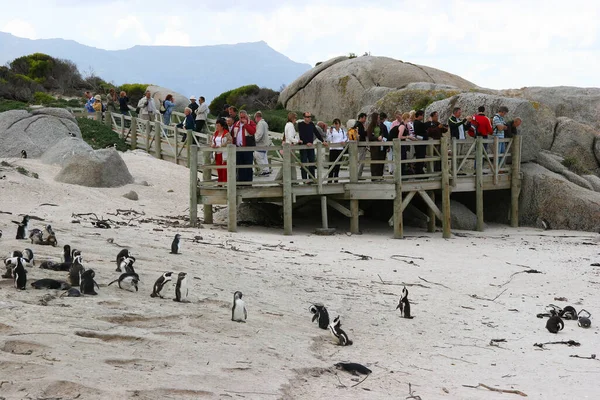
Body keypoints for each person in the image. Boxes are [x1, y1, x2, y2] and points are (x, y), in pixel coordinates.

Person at [297, 112, 324, 182]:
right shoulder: (301, 125)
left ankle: (312, 178)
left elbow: (316, 133)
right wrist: (306, 142)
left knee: (312, 162)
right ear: (304, 117)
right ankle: (305, 179)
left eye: (310, 117)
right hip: (303, 146)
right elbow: (301, 135)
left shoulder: (311, 124)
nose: (309, 118)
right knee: (304, 163)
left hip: (311, 146)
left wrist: (323, 141)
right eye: (307, 117)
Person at [232, 110, 256, 182]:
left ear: (246, 116)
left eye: (243, 117)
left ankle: (248, 182)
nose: (242, 119)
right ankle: (240, 182)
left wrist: (246, 125)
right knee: (239, 166)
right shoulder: (236, 124)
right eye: (241, 117)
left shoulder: (251, 123)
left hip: (247, 148)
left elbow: (252, 131)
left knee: (248, 166)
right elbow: (233, 135)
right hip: (238, 149)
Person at [366, 112, 387, 178]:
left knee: (380, 160)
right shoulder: (371, 126)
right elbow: (369, 136)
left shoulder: (380, 125)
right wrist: (376, 138)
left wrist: (381, 136)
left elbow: (382, 132)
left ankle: (380, 175)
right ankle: (374, 176)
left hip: (380, 144)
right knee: (374, 160)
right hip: (374, 146)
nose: (379, 118)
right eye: (378, 117)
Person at [212, 118, 232, 183]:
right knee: (219, 169)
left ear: (222, 126)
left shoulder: (226, 133)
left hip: (224, 154)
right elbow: (212, 141)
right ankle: (220, 182)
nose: (217, 127)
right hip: (217, 153)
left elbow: (230, 141)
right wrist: (213, 145)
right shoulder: (215, 133)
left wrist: (221, 145)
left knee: (224, 169)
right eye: (216, 125)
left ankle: (225, 183)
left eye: (218, 125)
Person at [253, 111, 272, 176]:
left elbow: (259, 134)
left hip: (260, 144)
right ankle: (266, 170)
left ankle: (264, 170)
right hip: (265, 143)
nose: (255, 120)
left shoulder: (260, 124)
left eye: (255, 118)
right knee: (264, 157)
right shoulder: (265, 123)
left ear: (257, 117)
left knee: (258, 156)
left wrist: (254, 139)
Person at [412, 110, 429, 174]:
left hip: (421, 142)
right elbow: (424, 126)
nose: (422, 117)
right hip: (420, 143)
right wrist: (429, 121)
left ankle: (419, 170)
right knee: (420, 156)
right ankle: (419, 171)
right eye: (422, 115)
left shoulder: (417, 123)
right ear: (419, 115)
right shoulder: (417, 123)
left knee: (421, 156)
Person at [354, 113, 368, 177]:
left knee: (359, 160)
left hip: (358, 145)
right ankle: (358, 175)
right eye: (364, 118)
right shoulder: (359, 125)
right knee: (360, 160)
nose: (365, 120)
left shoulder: (356, 124)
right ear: (361, 118)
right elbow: (362, 133)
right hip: (361, 145)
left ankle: (358, 175)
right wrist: (368, 132)